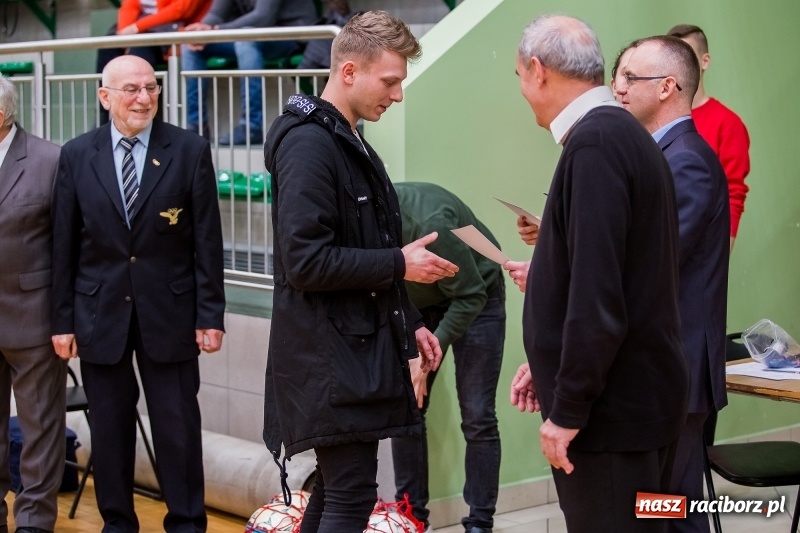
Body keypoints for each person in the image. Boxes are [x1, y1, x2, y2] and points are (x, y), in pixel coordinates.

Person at [261, 11, 459, 533]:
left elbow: (363, 247)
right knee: (350, 497)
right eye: (390, 81)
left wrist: (411, 319)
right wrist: (401, 263)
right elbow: (305, 260)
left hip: (352, 352)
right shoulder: (309, 144)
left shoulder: (346, 138)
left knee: (335, 492)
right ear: (348, 71)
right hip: (330, 359)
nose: (397, 96)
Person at [507, 15, 689, 532]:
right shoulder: (619, 134)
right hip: (633, 398)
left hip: (614, 415)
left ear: (538, 71)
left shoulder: (597, 144)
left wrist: (567, 409)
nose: (523, 90)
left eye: (519, 76)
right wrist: (551, 368)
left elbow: (599, 296)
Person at [51, 55, 226, 533]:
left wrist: (211, 314)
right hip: (98, 313)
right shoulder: (76, 154)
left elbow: (206, 241)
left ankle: (187, 523)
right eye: (131, 89)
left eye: (150, 87)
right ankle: (117, 523)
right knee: (108, 430)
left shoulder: (189, 150)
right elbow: (63, 245)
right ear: (105, 96)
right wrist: (61, 320)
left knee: (178, 428)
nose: (144, 98)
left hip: (170, 311)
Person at [614, 35, 729, 532]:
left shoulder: (686, 159)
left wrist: (571, 271)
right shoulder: (662, 153)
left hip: (679, 364)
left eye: (629, 79)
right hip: (664, 364)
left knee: (671, 508)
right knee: (665, 506)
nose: (617, 89)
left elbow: (655, 258)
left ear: (667, 87)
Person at [392, 182, 505, 533]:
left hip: (478, 296)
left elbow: (470, 296)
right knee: (406, 409)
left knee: (477, 415)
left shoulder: (430, 224)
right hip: (420, 306)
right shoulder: (360, 221)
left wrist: (426, 358)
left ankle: (479, 523)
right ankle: (411, 517)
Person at [0, 78, 65, 533]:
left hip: (33, 318)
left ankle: (34, 524)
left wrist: (66, 320)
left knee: (40, 432)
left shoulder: (49, 159)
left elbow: (69, 248)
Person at [182, 0, 318, 144]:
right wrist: (201, 30)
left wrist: (215, 30)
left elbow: (263, 17)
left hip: (292, 34)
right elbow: (216, 14)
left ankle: (251, 126)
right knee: (191, 46)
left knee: (245, 40)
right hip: (251, 36)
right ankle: (197, 127)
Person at [667, 24, 750, 251]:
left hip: (701, 252)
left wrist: (721, 253)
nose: (680, 63)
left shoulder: (728, 123)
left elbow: (734, 192)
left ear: (705, 61)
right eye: (673, 56)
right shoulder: (654, 121)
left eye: (688, 55)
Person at [96, 0, 212, 124]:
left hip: (171, 31)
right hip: (138, 32)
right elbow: (129, 6)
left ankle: (139, 116)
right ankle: (105, 115)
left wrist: (136, 28)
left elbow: (179, 10)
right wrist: (126, 37)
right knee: (108, 48)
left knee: (140, 50)